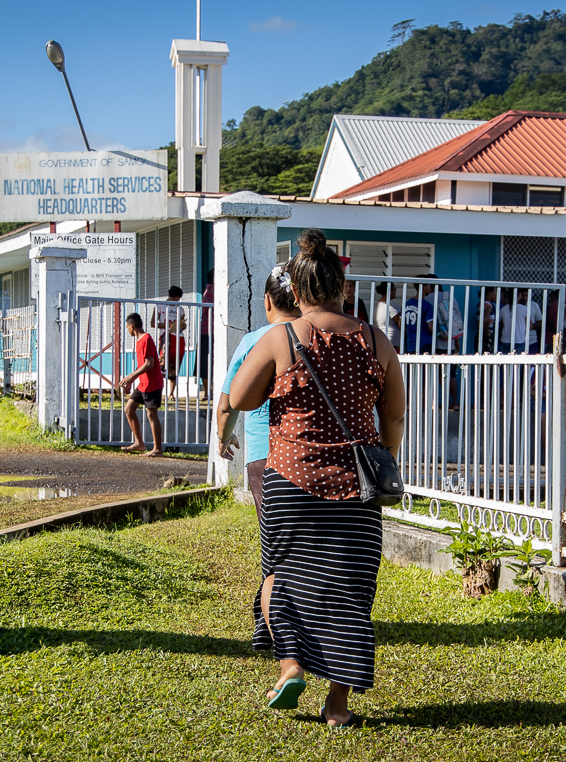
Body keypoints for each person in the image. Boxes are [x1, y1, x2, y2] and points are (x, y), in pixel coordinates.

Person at [229, 228, 405, 728]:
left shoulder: (281, 337)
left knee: (280, 574)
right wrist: (383, 455)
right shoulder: (375, 340)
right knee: (349, 589)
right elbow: (393, 416)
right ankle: (338, 706)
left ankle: (289, 668)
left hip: (290, 480)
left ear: (298, 292)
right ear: (343, 288)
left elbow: (242, 399)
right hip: (356, 487)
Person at [216, 265, 301, 516]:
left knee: (275, 535)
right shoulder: (317, 337)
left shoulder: (253, 341)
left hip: (264, 454)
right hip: (310, 450)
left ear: (267, 301)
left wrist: (224, 438)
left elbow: (226, 404)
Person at [117, 313, 164, 457]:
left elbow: (149, 364)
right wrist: (132, 381)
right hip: (143, 383)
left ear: (131, 326)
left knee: (151, 414)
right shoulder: (139, 340)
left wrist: (130, 376)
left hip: (153, 383)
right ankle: (139, 443)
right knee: (129, 409)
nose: (128, 331)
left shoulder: (146, 339)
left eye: (128, 328)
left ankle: (157, 449)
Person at [155, 286, 186, 398]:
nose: (176, 302)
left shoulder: (180, 309)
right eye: (175, 299)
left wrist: (182, 325)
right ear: (170, 296)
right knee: (161, 363)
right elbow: (154, 324)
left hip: (179, 337)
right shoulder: (160, 306)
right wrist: (169, 325)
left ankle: (171, 393)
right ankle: (157, 391)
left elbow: (183, 325)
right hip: (166, 337)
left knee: (175, 364)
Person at [402, 280, 435, 354]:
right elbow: (431, 327)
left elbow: (401, 324)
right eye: (429, 286)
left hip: (410, 342)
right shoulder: (427, 305)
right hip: (424, 342)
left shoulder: (407, 303)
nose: (430, 288)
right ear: (424, 287)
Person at [197, 281, 214, 401]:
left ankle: (208, 392)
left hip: (205, 331)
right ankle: (210, 391)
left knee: (204, 364)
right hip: (211, 332)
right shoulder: (212, 290)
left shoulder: (207, 291)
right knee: (208, 364)